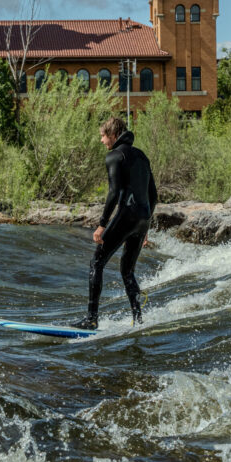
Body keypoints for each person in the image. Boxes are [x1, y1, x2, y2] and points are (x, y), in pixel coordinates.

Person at [71, 116, 158, 330]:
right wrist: (145, 225)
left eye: (102, 136)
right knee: (127, 270)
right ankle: (138, 320)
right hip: (143, 218)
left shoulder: (114, 156)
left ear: (112, 135)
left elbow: (114, 193)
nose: (101, 141)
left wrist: (102, 224)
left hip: (127, 216)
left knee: (96, 263)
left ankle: (91, 319)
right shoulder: (141, 156)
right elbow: (153, 195)